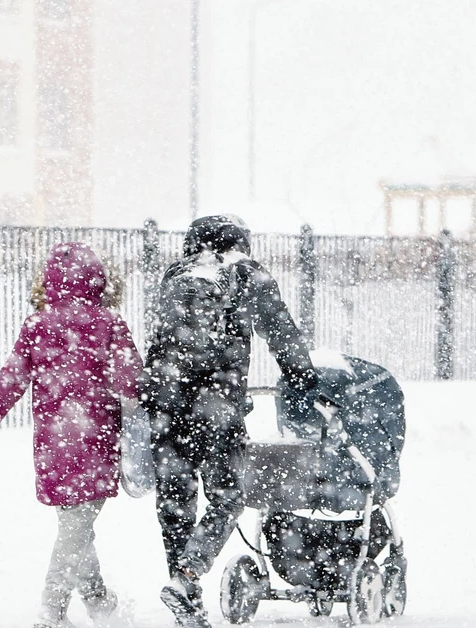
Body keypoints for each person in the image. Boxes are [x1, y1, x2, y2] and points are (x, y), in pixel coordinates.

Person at [141, 214, 320, 628]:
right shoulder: (247, 273)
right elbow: (281, 332)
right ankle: (187, 577)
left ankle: (184, 594)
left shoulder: (176, 274)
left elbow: (161, 340)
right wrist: (303, 377)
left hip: (166, 405)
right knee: (229, 495)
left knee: (175, 503)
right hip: (217, 406)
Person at [0, 242, 143, 628]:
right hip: (96, 442)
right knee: (76, 529)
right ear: (98, 279)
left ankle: (99, 603)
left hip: (55, 446)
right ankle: (52, 612)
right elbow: (132, 384)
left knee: (75, 528)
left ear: (49, 280)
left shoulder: (38, 326)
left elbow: (9, 381)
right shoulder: (109, 324)